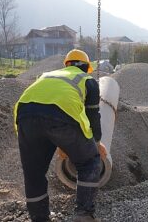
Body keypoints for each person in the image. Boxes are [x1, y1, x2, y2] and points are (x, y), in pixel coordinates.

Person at [14, 49, 106, 222]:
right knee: (89, 162)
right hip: (62, 117)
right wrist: (96, 144)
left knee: (34, 172)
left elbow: (42, 113)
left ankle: (39, 218)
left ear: (66, 65)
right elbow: (92, 116)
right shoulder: (87, 80)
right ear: (86, 67)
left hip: (25, 117)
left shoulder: (46, 76)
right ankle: (84, 214)